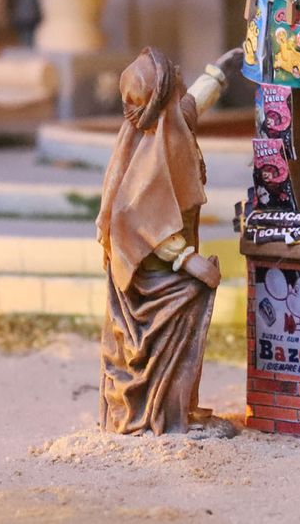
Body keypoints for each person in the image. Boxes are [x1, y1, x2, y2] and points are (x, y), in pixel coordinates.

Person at [97, 45, 241, 437]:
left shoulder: (167, 123)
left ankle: (179, 407)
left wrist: (220, 72)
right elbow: (141, 220)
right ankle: (163, 414)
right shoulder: (152, 154)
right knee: (179, 323)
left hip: (165, 262)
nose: (180, 71)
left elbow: (194, 103)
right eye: (174, 73)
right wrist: (189, 262)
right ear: (162, 93)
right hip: (153, 278)